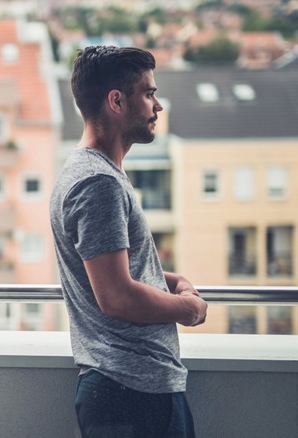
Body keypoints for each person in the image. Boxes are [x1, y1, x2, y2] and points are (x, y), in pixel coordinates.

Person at [49, 46, 208, 438]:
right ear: (116, 100)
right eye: (149, 94)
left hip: (129, 391)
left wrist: (171, 280)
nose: (158, 106)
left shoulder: (95, 173)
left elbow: (113, 269)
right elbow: (116, 295)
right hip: (131, 395)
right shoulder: (97, 184)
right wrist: (187, 310)